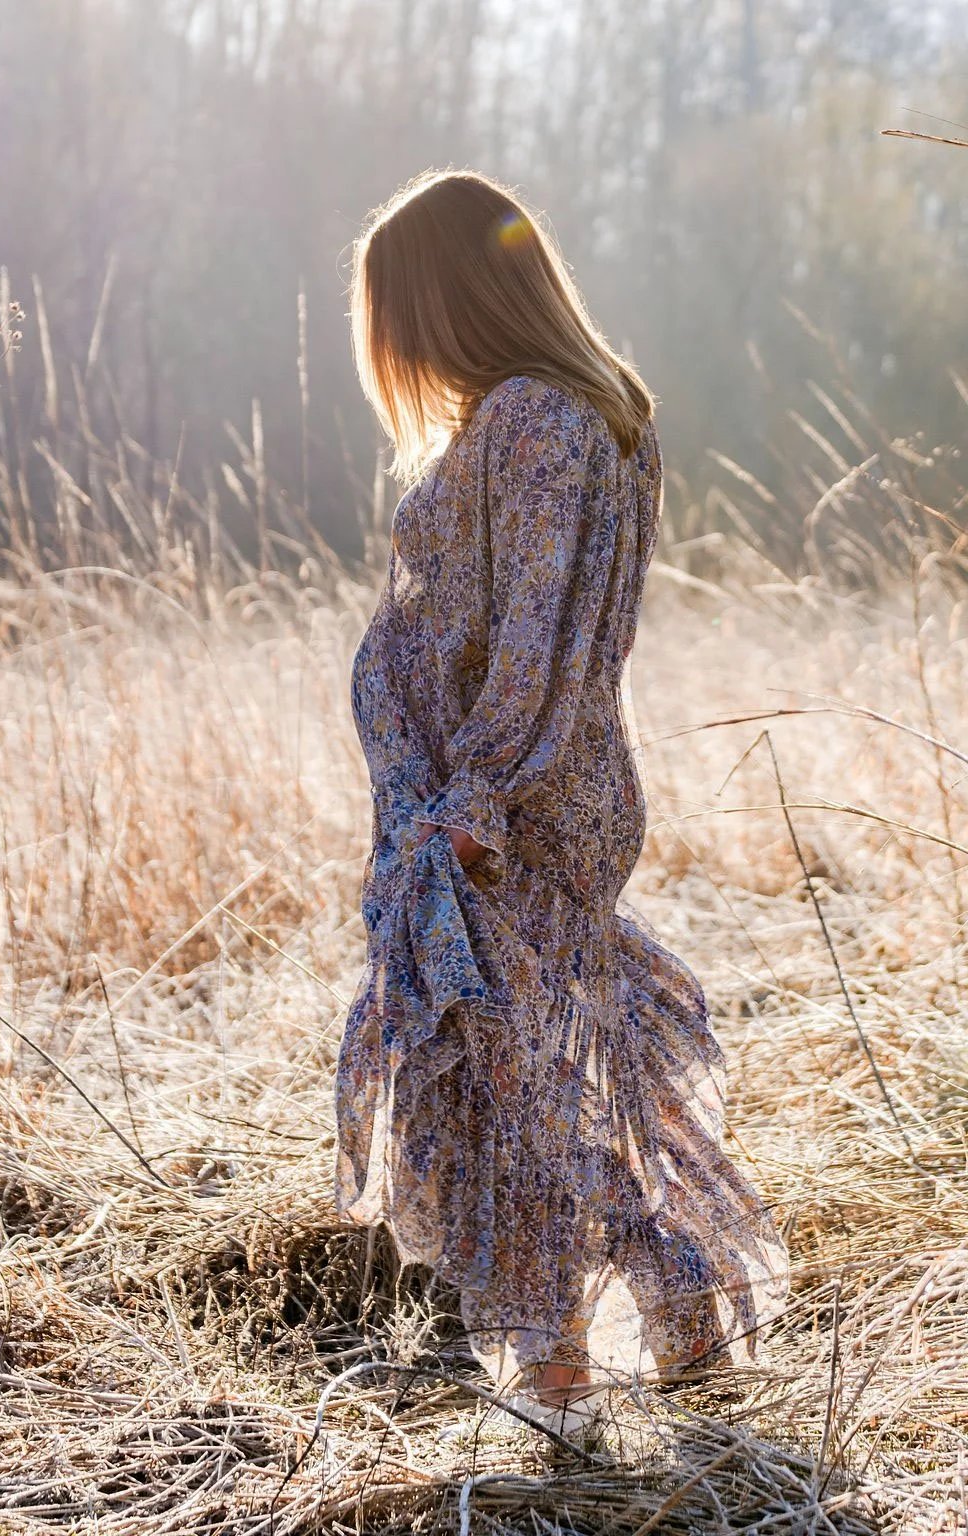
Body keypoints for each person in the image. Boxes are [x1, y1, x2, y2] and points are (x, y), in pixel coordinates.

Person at [334, 168, 789, 1429]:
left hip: (511, 806)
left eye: (392, 312)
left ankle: (556, 1371)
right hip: (516, 795)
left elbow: (544, 635)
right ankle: (679, 1320)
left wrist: (472, 796)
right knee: (551, 1060)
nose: (391, 347)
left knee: (504, 1080)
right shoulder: (563, 410)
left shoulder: (537, 421)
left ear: (446, 298)